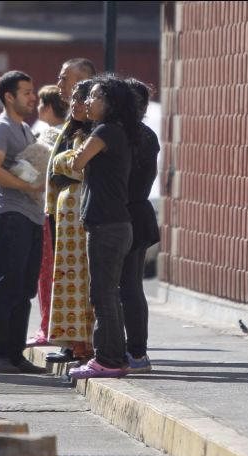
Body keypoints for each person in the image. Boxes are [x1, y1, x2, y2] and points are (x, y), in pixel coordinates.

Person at [67, 75, 140, 379]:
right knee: (108, 293)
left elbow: (75, 163)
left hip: (107, 227)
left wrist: (78, 129)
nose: (88, 102)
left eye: (95, 97)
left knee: (103, 294)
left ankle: (108, 359)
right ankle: (115, 356)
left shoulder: (106, 132)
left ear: (111, 104)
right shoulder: (112, 131)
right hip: (113, 224)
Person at [0, 71, 47, 375]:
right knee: (7, 286)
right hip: (11, 215)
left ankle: (15, 354)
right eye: (26, 92)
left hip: (32, 216)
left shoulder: (24, 129)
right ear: (9, 96)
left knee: (24, 289)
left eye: (33, 92)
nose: (33, 98)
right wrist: (30, 188)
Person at [44, 81, 96, 364]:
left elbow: (78, 165)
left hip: (82, 213)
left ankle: (87, 343)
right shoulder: (70, 130)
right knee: (67, 279)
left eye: (81, 99)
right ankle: (73, 343)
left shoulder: (97, 132)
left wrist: (64, 162)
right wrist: (65, 162)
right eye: (73, 99)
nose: (75, 104)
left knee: (83, 280)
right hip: (65, 215)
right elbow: (60, 166)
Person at [121, 78, 160, 373]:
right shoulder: (146, 134)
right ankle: (136, 350)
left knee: (128, 287)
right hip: (140, 213)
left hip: (128, 214)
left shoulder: (129, 135)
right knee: (131, 286)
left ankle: (135, 350)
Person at [28, 85, 70, 351]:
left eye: (42, 103)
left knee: (45, 273)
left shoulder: (46, 137)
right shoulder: (65, 134)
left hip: (44, 210)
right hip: (58, 210)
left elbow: (31, 170)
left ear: (50, 106)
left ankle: (47, 325)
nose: (37, 107)